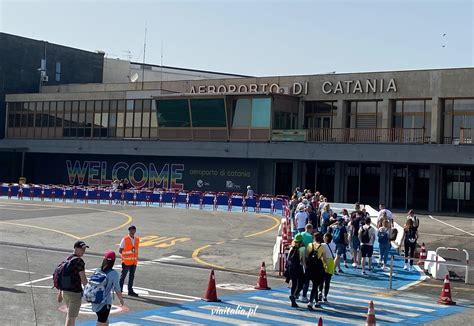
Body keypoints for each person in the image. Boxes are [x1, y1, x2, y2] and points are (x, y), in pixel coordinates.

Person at [57, 241, 89, 326]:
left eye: (84, 249)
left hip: (65, 292)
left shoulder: (68, 259)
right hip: (74, 293)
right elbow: (84, 279)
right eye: (82, 249)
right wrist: (90, 291)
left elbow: (63, 276)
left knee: (70, 315)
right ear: (75, 249)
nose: (84, 251)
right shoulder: (79, 261)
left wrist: (60, 293)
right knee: (71, 318)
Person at [92, 251, 124, 325]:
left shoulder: (97, 270)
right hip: (105, 302)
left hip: (95, 300)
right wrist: (121, 299)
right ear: (113, 261)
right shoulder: (114, 273)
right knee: (101, 321)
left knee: (104, 320)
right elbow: (117, 289)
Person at [305, 232, 326, 311]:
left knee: (312, 284)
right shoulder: (322, 247)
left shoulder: (310, 245)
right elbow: (323, 258)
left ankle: (316, 302)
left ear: (314, 238)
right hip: (318, 268)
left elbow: (306, 255)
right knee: (315, 286)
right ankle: (310, 302)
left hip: (310, 267)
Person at [119, 225, 140, 296]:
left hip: (133, 262)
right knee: (123, 277)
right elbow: (120, 250)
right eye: (131, 230)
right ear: (129, 231)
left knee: (131, 277)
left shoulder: (137, 239)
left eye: (133, 230)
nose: (132, 231)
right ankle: (120, 291)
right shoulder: (125, 239)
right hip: (126, 262)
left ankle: (130, 290)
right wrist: (125, 257)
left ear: (135, 231)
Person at [286, 234, 306, 308]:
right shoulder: (302, 249)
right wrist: (306, 269)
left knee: (294, 284)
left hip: (291, 268)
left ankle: (293, 298)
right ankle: (294, 295)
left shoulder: (291, 248)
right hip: (298, 268)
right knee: (301, 284)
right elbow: (303, 261)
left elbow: (288, 259)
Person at [319, 233, 335, 302]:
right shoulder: (333, 245)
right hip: (331, 262)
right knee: (327, 281)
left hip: (324, 261)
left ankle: (320, 292)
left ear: (326, 238)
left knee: (321, 280)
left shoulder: (323, 245)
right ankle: (325, 296)